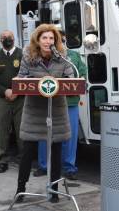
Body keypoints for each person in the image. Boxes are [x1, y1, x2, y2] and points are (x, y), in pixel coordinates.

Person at [14, 24, 73, 203]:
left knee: (56, 151)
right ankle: (21, 189)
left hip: (55, 110)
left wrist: (62, 81)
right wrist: (26, 80)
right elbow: (21, 77)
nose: (48, 41)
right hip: (35, 110)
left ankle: (54, 190)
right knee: (27, 152)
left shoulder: (62, 57)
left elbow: (71, 79)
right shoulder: (28, 57)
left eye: (51, 38)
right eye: (44, 38)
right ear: (37, 40)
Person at [34, 30, 87, 180]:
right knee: (45, 135)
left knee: (69, 137)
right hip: (48, 103)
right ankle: (44, 166)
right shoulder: (44, 56)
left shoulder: (74, 56)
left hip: (69, 103)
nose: (58, 42)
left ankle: (69, 167)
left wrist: (81, 79)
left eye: (61, 39)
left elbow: (82, 73)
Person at [0, 30, 24, 173]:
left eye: (10, 37)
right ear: (0, 40)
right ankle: (2, 160)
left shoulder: (22, 55)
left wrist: (16, 90)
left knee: (21, 131)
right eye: (4, 38)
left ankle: (23, 159)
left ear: (14, 39)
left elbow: (28, 75)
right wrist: (5, 91)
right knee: (2, 131)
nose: (7, 39)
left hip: (20, 99)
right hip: (2, 99)